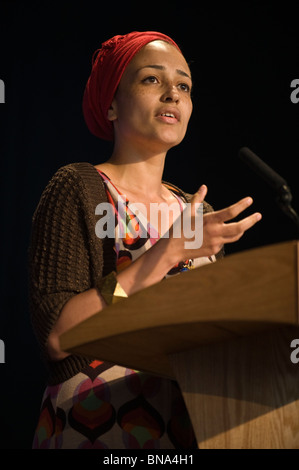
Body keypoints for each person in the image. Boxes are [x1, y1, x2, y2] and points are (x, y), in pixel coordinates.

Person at [28, 31, 262, 449]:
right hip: (96, 424)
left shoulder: (198, 213)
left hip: (187, 428)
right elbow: (59, 338)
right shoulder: (79, 187)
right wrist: (166, 251)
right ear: (112, 104)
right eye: (152, 79)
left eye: (184, 85)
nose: (173, 93)